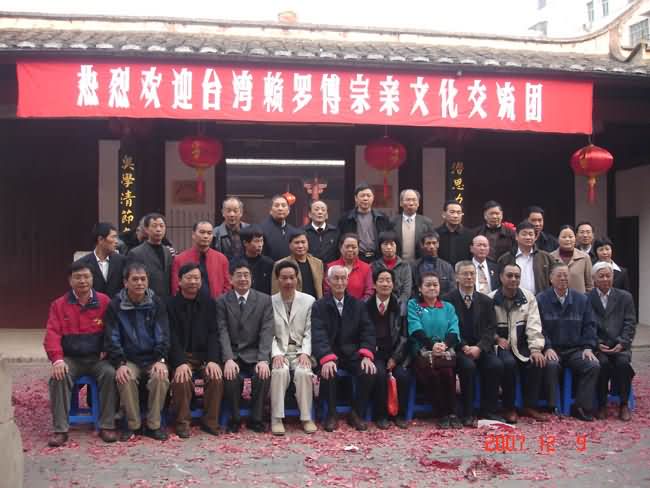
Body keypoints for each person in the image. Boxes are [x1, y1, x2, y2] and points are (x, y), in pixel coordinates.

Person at [44, 262, 117, 446]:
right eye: (77, 277)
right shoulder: (59, 305)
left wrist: (107, 348)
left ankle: (107, 425)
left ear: (92, 279)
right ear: (70, 281)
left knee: (110, 374)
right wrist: (57, 360)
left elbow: (113, 330)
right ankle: (60, 429)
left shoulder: (104, 301)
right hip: (71, 359)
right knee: (59, 376)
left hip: (97, 359)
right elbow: (52, 334)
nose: (82, 281)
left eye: (86, 276)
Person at [104, 261, 171, 441]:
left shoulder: (156, 303)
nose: (140, 283)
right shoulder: (115, 305)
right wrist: (120, 363)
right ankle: (133, 425)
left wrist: (161, 360)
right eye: (135, 279)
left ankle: (153, 425)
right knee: (126, 377)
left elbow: (163, 335)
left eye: (143, 279)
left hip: (153, 358)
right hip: (129, 359)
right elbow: (112, 338)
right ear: (125, 282)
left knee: (160, 377)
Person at [311, 265, 377, 432]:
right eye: (336, 278)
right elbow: (318, 334)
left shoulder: (358, 305)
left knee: (368, 371)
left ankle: (356, 413)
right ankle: (331, 414)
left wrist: (366, 355)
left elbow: (368, 331)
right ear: (328, 281)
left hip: (352, 353)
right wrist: (326, 357)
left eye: (343, 278)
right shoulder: (319, 306)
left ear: (348, 281)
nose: (340, 282)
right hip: (330, 352)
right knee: (328, 370)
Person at [536, 263, 600, 421]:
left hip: (575, 350)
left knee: (593, 365)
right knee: (550, 365)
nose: (563, 278)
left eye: (566, 275)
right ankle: (553, 406)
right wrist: (547, 347)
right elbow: (538, 328)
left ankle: (581, 406)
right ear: (551, 279)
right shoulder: (541, 299)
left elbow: (590, 325)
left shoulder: (581, 299)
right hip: (553, 348)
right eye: (559, 275)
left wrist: (588, 347)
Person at [167, 263, 223, 438]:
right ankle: (182, 422)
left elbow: (214, 333)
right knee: (182, 378)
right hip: (181, 356)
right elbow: (171, 337)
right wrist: (180, 362)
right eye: (189, 278)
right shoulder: (170, 304)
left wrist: (213, 360)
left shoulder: (209, 303)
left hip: (204, 356)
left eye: (197, 278)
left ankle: (210, 421)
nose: (193, 281)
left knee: (215, 376)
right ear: (179, 281)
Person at [217, 261, 274, 433]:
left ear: (251, 278)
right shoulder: (222, 301)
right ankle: (234, 418)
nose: (243, 279)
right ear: (230, 279)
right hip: (233, 353)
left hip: (254, 352)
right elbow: (222, 331)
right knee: (230, 376)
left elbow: (266, 331)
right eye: (239, 275)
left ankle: (256, 418)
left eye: (246, 275)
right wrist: (228, 358)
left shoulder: (264, 300)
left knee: (263, 374)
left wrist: (263, 359)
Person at [443, 261, 501, 426]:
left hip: (481, 347)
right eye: (465, 274)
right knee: (468, 367)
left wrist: (480, 347)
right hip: (459, 348)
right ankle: (467, 412)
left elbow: (491, 328)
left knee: (495, 365)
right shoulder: (448, 300)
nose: (469, 277)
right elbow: (448, 327)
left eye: (472, 274)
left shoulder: (486, 301)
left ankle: (488, 410)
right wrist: (463, 346)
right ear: (457, 277)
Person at [490, 263, 549, 423]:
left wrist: (535, 349)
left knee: (536, 361)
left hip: (522, 343)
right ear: (501, 277)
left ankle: (530, 406)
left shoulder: (528, 298)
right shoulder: (491, 298)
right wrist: (496, 338)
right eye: (509, 275)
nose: (513, 279)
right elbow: (486, 327)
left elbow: (534, 325)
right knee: (508, 364)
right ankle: (509, 408)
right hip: (500, 345)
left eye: (517, 276)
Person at [270, 261, 318, 435]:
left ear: (297, 279)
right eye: (284, 278)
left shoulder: (309, 301)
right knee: (279, 371)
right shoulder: (270, 302)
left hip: (300, 350)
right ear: (278, 280)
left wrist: (305, 352)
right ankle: (276, 418)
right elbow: (268, 333)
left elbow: (310, 331)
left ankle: (306, 418)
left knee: (304, 372)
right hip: (280, 350)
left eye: (292, 277)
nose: (288, 282)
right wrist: (276, 353)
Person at [408, 271, 461, 429]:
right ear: (420, 288)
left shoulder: (448, 307)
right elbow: (415, 328)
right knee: (432, 374)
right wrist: (432, 345)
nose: (432, 288)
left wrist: (444, 345)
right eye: (428, 285)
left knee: (448, 372)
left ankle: (452, 413)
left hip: (444, 351)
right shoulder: (414, 305)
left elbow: (454, 329)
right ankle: (442, 413)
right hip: (422, 351)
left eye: (435, 285)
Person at [588, 262, 637, 421]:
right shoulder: (587, 298)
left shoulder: (625, 297)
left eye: (608, 276)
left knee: (623, 364)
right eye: (601, 276)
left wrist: (622, 343)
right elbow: (586, 325)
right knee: (601, 364)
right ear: (594, 278)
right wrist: (596, 343)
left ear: (613, 277)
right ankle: (601, 404)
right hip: (599, 346)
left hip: (619, 345)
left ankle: (623, 404)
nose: (605, 279)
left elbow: (630, 323)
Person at [366, 268, 411, 429]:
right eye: (381, 280)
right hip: (374, 353)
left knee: (402, 376)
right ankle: (381, 415)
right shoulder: (366, 306)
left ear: (393, 284)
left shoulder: (401, 306)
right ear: (374, 284)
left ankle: (400, 415)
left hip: (396, 353)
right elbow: (363, 333)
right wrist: (370, 353)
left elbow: (404, 336)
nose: (385, 284)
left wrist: (395, 358)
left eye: (388, 280)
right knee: (378, 375)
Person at [171, 221, 231, 299]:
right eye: (202, 232)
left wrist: (221, 303)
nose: (206, 236)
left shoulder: (221, 259)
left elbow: (227, 286)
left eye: (209, 233)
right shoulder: (179, 259)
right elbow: (175, 286)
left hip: (217, 303)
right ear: (193, 234)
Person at [337, 183, 393, 263]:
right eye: (362, 196)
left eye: (368, 196)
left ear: (373, 198)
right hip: (355, 258)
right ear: (356, 198)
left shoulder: (382, 218)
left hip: (378, 258)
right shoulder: (346, 219)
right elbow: (340, 242)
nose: (365, 198)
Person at [497, 221, 553, 295]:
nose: (528, 237)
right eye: (524, 234)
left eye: (531, 234)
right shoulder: (505, 259)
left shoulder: (546, 258)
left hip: (540, 299)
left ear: (535, 237)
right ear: (516, 236)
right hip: (513, 299)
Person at [75, 222, 126, 298]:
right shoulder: (83, 263)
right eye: (113, 237)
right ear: (100, 239)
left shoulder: (121, 261)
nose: (116, 241)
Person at [128, 213, 173, 298]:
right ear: (146, 229)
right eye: (154, 226)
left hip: (166, 299)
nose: (158, 229)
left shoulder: (168, 251)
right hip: (146, 299)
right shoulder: (136, 253)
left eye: (161, 226)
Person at [271, 230, 324, 299]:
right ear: (290, 245)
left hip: (315, 303)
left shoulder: (318, 263)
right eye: (296, 243)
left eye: (303, 242)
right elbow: (275, 290)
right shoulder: (280, 264)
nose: (300, 246)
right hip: (292, 303)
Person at [324, 233, 373, 300]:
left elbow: (369, 292)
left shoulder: (366, 268)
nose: (350, 249)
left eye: (354, 247)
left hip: (360, 305)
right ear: (340, 248)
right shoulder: (331, 267)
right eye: (347, 247)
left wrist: (359, 305)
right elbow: (327, 291)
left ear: (358, 249)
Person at [371, 231, 413, 308]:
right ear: (380, 246)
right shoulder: (374, 266)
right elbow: (372, 288)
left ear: (397, 246)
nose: (389, 247)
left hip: (399, 303)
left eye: (392, 244)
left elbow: (406, 291)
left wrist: (397, 302)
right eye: (385, 244)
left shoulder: (405, 266)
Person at [390, 189, 435, 261]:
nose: (411, 203)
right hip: (398, 263)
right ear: (401, 203)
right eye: (407, 200)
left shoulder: (426, 222)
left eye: (414, 200)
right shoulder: (392, 222)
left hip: (420, 263)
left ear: (418, 203)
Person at [550, 225, 593, 293]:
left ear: (575, 238)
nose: (567, 239)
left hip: (579, 298)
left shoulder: (584, 257)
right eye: (564, 237)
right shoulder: (550, 257)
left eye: (570, 237)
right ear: (558, 239)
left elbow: (590, 285)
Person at [411, 231, 455, 296]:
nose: (431, 246)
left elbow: (452, 289)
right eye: (428, 243)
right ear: (422, 245)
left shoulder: (447, 267)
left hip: (443, 301)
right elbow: (411, 289)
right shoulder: (414, 266)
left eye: (434, 243)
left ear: (438, 244)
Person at [436, 200, 474, 266]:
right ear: (444, 214)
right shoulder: (436, 234)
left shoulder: (470, 235)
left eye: (459, 213)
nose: (455, 216)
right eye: (452, 212)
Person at [260, 195, 298, 262]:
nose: (280, 208)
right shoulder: (261, 229)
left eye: (283, 205)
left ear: (288, 210)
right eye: (276, 206)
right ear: (270, 210)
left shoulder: (293, 231)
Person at [212, 197, 249, 262]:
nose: (232, 214)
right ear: (223, 213)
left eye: (235, 211)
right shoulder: (215, 233)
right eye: (228, 211)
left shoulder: (249, 230)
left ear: (241, 213)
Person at [241, 225, 274, 295]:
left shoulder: (269, 263)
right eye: (256, 241)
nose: (260, 245)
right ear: (245, 243)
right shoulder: (237, 263)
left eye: (261, 241)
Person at [304, 200, 339, 264]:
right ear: (310, 214)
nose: (320, 212)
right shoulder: (302, 232)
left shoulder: (335, 232)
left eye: (323, 210)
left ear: (327, 215)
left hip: (330, 268)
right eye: (316, 210)